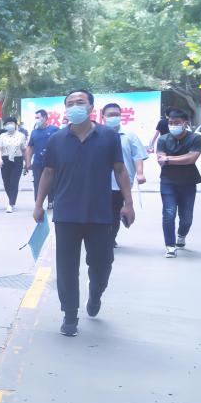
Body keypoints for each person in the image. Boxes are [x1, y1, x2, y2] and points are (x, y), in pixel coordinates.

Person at [33, 89, 134, 337]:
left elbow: (120, 170)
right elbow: (48, 173)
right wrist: (38, 204)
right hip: (66, 214)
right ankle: (70, 315)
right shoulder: (57, 139)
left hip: (100, 213)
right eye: (70, 103)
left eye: (80, 102)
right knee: (66, 267)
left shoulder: (108, 136)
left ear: (91, 108)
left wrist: (128, 203)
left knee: (102, 264)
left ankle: (96, 293)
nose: (75, 106)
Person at [157, 108, 201, 257]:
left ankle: (181, 235)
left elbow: (191, 158)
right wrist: (175, 159)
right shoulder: (163, 139)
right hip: (168, 181)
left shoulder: (195, 138)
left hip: (188, 182)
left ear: (185, 123)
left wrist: (169, 159)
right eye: (170, 122)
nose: (173, 125)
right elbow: (160, 160)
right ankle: (170, 246)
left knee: (186, 218)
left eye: (176, 122)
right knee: (169, 213)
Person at [102, 103, 147, 247]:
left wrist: (140, 173)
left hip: (121, 183)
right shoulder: (97, 135)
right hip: (100, 183)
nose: (113, 117)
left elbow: (138, 156)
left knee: (115, 212)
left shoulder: (129, 136)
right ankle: (102, 237)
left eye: (116, 114)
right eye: (110, 115)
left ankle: (111, 238)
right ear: (103, 117)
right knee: (101, 212)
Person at [24, 109, 59, 209]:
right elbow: (30, 147)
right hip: (38, 162)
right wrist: (28, 162)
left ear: (45, 118)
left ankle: (51, 201)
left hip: (52, 162)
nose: (36, 120)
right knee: (37, 183)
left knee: (52, 182)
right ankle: (38, 204)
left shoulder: (55, 129)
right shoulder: (34, 132)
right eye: (35, 118)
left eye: (38, 117)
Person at [0, 116, 27, 212]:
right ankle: (12, 199)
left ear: (15, 125)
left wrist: (27, 162)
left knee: (14, 182)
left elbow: (24, 150)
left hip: (17, 160)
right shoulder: (2, 136)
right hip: (5, 160)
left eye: (11, 123)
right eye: (7, 124)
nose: (9, 125)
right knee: (6, 182)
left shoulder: (21, 136)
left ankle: (11, 203)